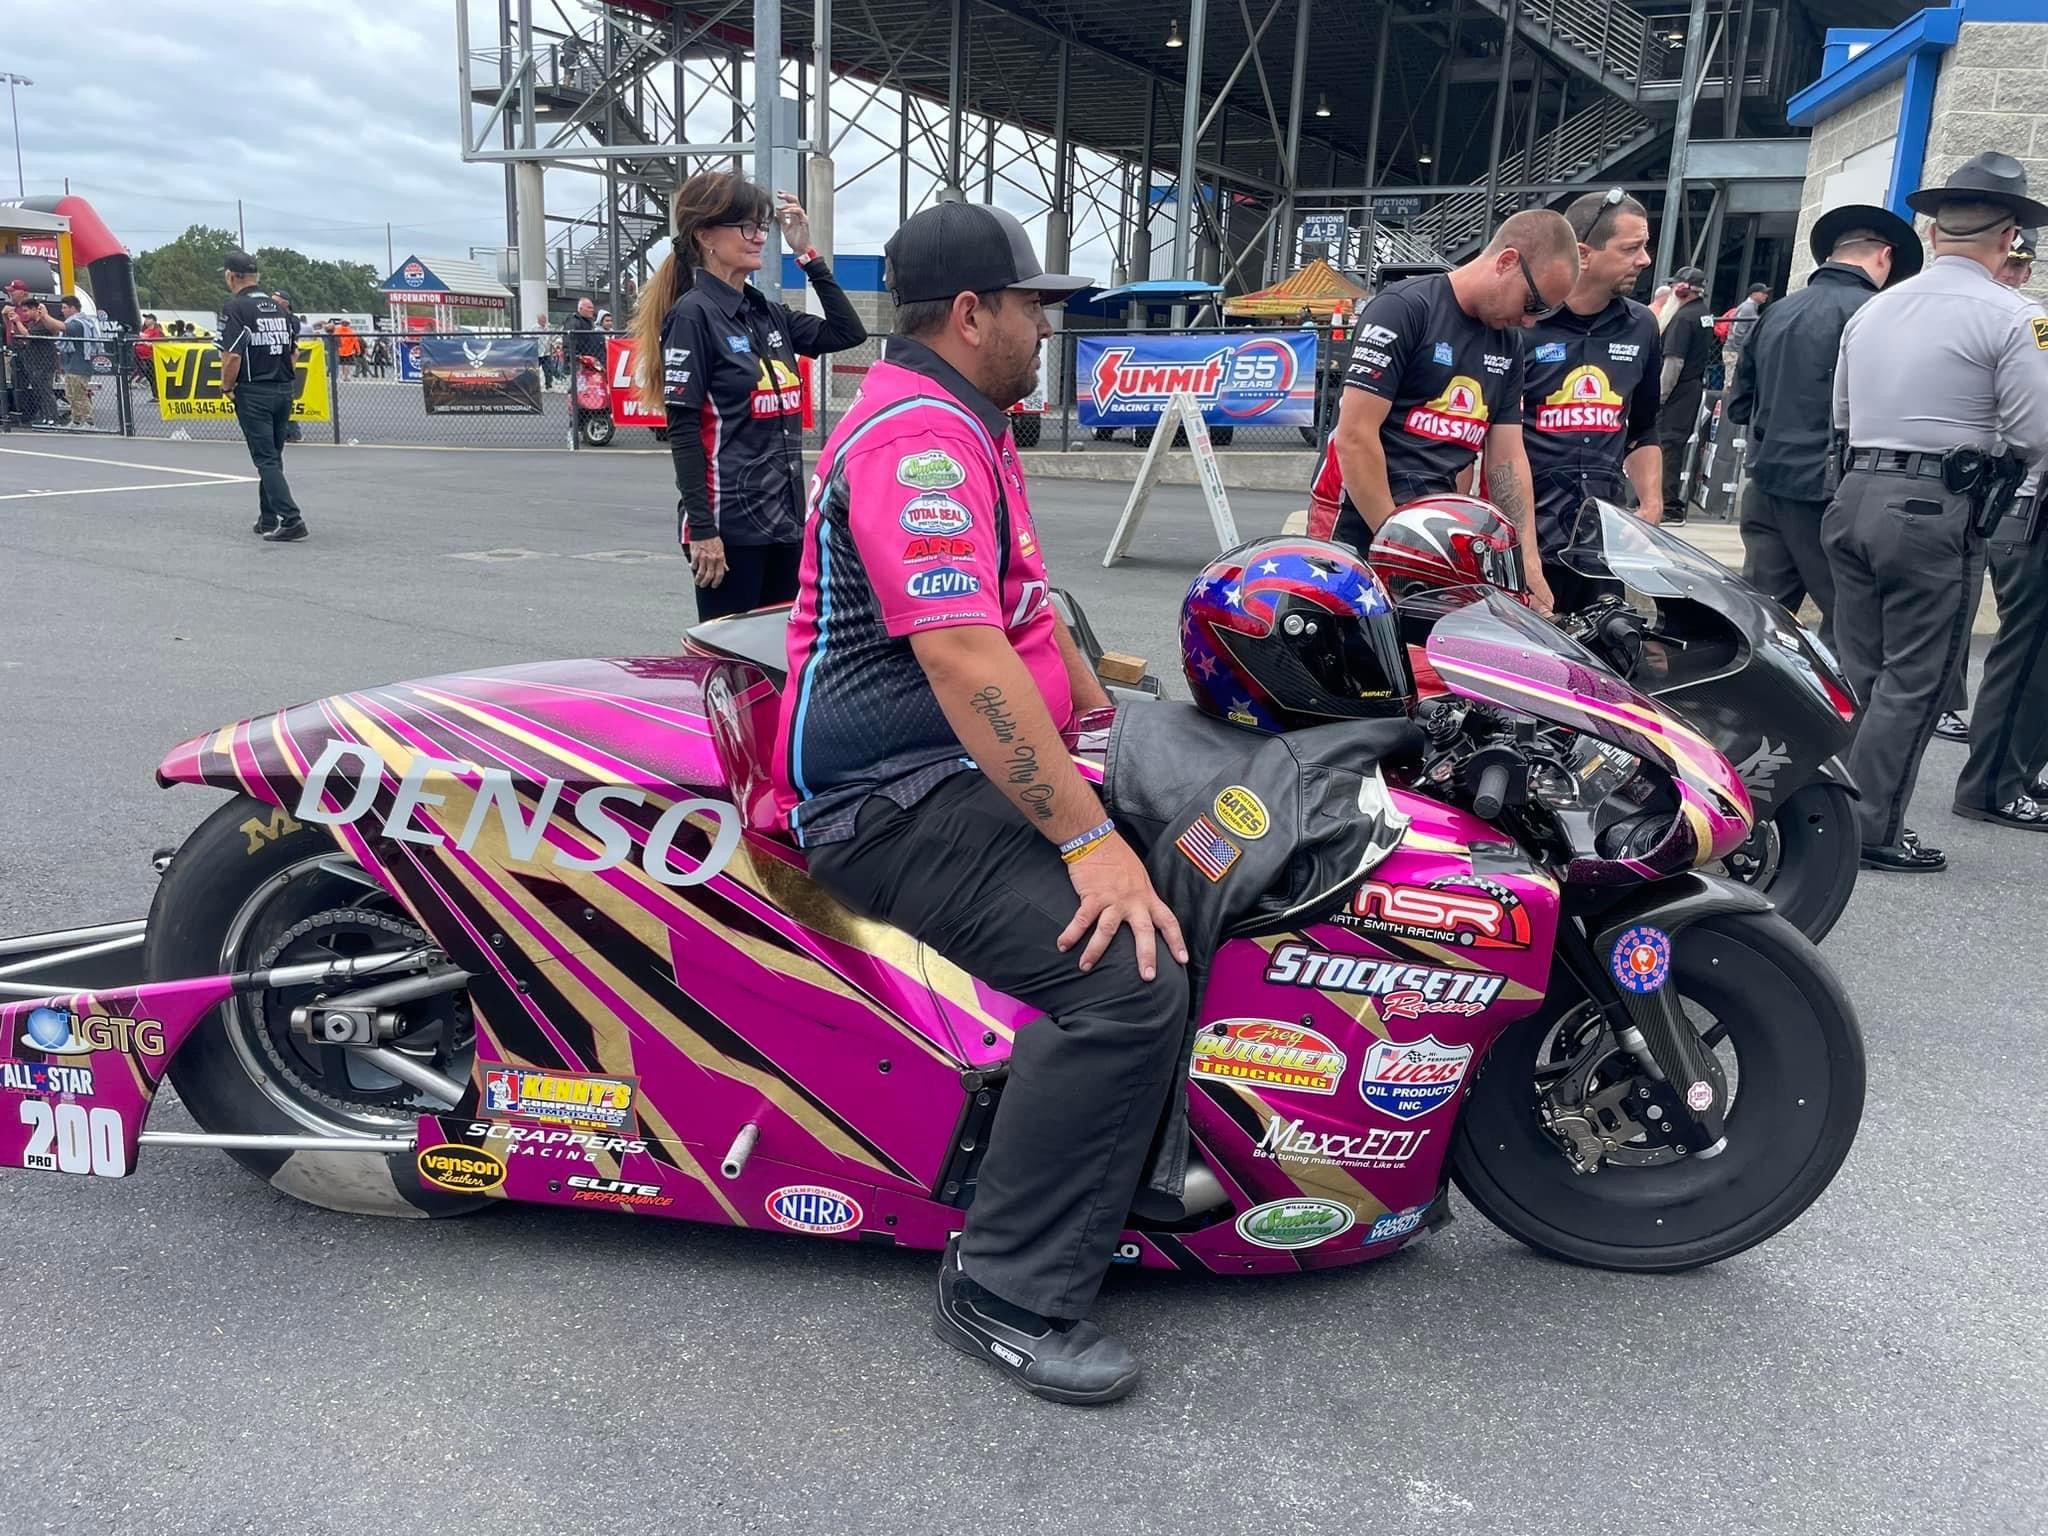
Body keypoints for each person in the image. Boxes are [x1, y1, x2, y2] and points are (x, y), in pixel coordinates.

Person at [772, 201, 1179, 1405]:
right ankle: (1005, 1287)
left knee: (1192, 857)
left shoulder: (956, 417)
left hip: (944, 765)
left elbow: (1006, 624)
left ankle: (1120, 1159)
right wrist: (1090, 840)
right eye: (1032, 307)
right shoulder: (921, 442)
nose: (1043, 329)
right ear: (971, 313)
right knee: (1122, 982)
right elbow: (960, 660)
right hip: (885, 796)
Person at [1825, 152, 2048, 870]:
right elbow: (2037, 434)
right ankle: (1872, 828)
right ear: (2009, 233)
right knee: (1918, 676)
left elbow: (1843, 413)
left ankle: (1825, 814)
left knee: (1859, 670)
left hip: (1855, 489)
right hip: (1935, 505)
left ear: (1935, 226)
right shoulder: (2019, 316)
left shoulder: (1875, 307)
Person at [1309, 207, 1580, 613]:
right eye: (1532, 303)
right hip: (1359, 517)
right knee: (1359, 663)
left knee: (1423, 664)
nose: (1528, 321)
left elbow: (1507, 457)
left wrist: (1527, 560)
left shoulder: (1508, 345)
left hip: (1435, 526)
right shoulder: (1404, 308)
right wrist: (1398, 542)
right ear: (1507, 261)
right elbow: (1354, 437)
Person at [632, 171, 866, 619]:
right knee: (732, 668)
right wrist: (703, 531)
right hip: (728, 529)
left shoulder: (764, 313)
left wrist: (806, 253)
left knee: (781, 660)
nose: (760, 237)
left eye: (762, 227)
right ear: (705, 235)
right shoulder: (694, 316)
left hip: (784, 523)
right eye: (747, 227)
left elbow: (845, 332)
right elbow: (683, 430)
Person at [1728, 204, 1922, 650]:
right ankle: (1841, 714)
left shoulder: (1776, 311)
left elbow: (1740, 404)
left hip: (1767, 481)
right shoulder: (1878, 314)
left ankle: (1739, 712)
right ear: (1884, 257)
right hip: (1831, 490)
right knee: (1852, 622)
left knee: (1758, 620)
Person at [1515, 188, 1665, 608]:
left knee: (1605, 660)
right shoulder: (1521, 325)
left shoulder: (1642, 327)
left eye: (1645, 246)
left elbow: (1643, 427)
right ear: (1584, 253)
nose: (1645, 259)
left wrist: (1651, 505)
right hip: (1526, 544)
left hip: (1602, 547)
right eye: (1632, 248)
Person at [1954, 223, 2048, 829]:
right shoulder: (2017, 324)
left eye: (2022, 268)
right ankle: (1992, 784)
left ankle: (2014, 774)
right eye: (2006, 264)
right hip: (2024, 505)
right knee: (2028, 652)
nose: (2012, 276)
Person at [218, 249, 309, 542]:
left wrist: (226, 387)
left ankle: (291, 519)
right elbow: (294, 352)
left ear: (231, 276)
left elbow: (231, 356)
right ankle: (268, 518)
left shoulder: (236, 308)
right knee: (273, 456)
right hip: (283, 388)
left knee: (265, 459)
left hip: (254, 390)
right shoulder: (280, 308)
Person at [1656, 266, 1716, 524]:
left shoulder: (1682, 318)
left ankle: (1668, 505)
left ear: (1682, 289)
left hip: (1678, 389)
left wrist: (1659, 397)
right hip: (1692, 386)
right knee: (1674, 444)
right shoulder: (1702, 314)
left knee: (1666, 445)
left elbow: (1673, 362)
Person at [7, 280, 64, 425]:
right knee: (38, 391)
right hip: (34, 363)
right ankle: (45, 416)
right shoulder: (33, 323)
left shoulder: (42, 324)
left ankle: (53, 418)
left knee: (46, 392)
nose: (24, 314)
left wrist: (18, 321)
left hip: (44, 363)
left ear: (35, 310)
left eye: (26, 311)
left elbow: (28, 335)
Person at [57, 294, 103, 429]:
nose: (62, 310)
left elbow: (62, 327)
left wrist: (45, 316)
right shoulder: (72, 322)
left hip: (80, 366)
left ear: (72, 308)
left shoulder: (79, 324)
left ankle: (89, 422)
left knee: (80, 394)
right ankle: (76, 420)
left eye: (65, 307)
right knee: (70, 394)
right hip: (70, 366)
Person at [1719, 281, 1771, 384]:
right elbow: (1738, 332)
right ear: (1754, 294)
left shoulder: (1749, 307)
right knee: (1731, 384)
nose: (1766, 295)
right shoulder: (1748, 308)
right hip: (1735, 352)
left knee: (1732, 383)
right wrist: (1742, 350)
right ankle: (1726, 400)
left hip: (1734, 350)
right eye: (1763, 292)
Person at [135, 312, 164, 401]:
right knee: (150, 377)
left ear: (154, 321)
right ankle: (155, 395)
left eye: (148, 318)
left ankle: (158, 395)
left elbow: (159, 343)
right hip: (142, 358)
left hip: (151, 358)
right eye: (146, 319)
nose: (146, 320)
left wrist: (148, 344)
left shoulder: (157, 331)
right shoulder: (146, 331)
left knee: (154, 377)